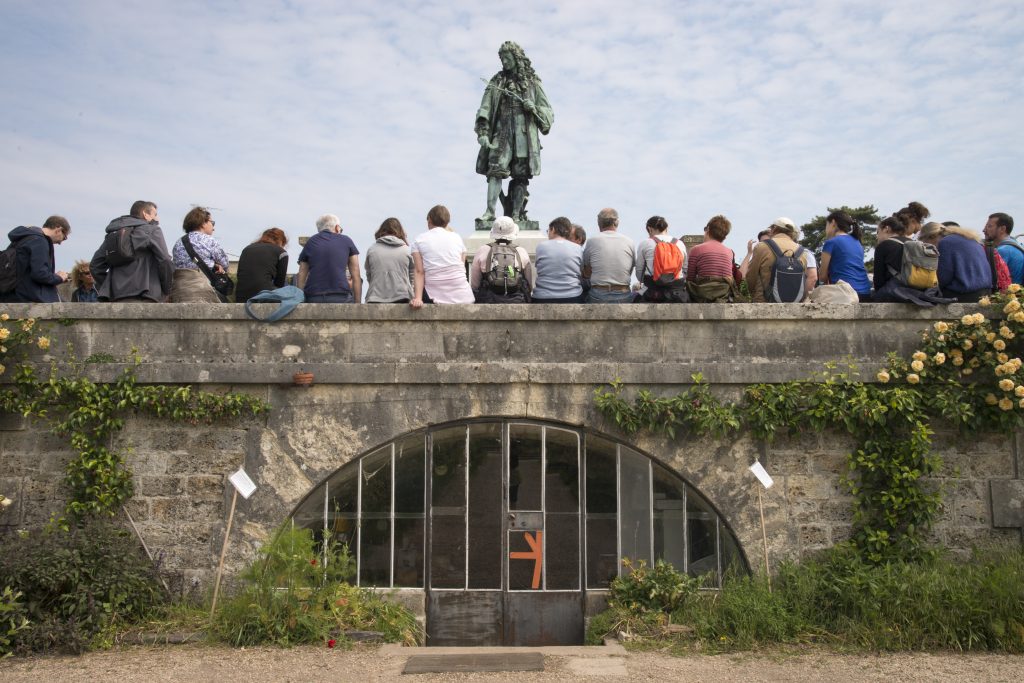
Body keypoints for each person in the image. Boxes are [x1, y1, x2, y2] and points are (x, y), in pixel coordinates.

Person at [475, 41, 554, 223]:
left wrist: (534, 108)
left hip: (524, 133)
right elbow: (485, 108)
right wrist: (483, 132)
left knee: (521, 174)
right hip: (502, 131)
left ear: (516, 58)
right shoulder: (497, 81)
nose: (504, 61)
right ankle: (490, 211)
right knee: (495, 169)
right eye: (502, 58)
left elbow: (548, 111)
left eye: (507, 58)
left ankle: (517, 214)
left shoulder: (533, 82)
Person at [91, 200, 173, 302]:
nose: (157, 218)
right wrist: (167, 289)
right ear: (145, 214)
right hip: (146, 295)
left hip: (117, 298)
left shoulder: (114, 234)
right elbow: (165, 260)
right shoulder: (152, 230)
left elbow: (95, 266)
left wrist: (111, 287)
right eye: (155, 214)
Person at [410, 205, 474, 309]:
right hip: (463, 295)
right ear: (447, 222)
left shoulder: (419, 240)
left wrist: (418, 298)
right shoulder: (457, 237)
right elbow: (462, 266)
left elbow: (419, 271)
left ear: (429, 220)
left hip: (434, 295)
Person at [1, 216, 70, 303]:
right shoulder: (40, 241)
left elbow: (25, 271)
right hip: (27, 299)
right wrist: (59, 278)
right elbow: (40, 274)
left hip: (11, 295)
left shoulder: (23, 238)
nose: (60, 242)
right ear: (59, 229)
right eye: (64, 237)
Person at [170, 206, 230, 303]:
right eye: (212, 222)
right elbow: (225, 265)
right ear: (203, 223)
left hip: (179, 291)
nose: (213, 227)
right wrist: (218, 266)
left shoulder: (178, 242)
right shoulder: (209, 240)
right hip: (201, 291)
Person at [919, 222, 991, 302]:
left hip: (965, 294)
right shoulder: (970, 239)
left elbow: (944, 277)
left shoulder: (945, 242)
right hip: (985, 293)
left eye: (925, 243)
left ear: (932, 237)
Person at [296, 214, 361, 303]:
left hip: (314, 296)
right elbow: (356, 274)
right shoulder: (346, 240)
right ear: (337, 227)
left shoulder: (311, 242)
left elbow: (301, 274)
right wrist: (358, 304)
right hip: (340, 296)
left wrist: (300, 301)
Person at [470, 216, 535, 303]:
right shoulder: (521, 251)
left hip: (488, 300)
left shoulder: (483, 250)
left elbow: (475, 285)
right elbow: (529, 285)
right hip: (516, 300)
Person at [746, 217, 809, 302]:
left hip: (764, 302)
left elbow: (751, 276)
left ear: (774, 228)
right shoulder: (802, 251)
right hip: (794, 304)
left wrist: (753, 294)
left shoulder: (762, 246)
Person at [582, 208, 634, 303]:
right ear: (616, 223)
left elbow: (586, 272)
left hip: (598, 296)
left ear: (599, 224)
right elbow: (629, 271)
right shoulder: (629, 242)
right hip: (624, 295)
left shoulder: (592, 241)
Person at [686, 215, 740, 303]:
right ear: (724, 236)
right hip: (724, 294)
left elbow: (690, 278)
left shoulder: (696, 249)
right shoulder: (729, 252)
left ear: (708, 229)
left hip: (702, 293)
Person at [820, 210, 871, 301]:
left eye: (826, 225)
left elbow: (822, 276)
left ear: (833, 222)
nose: (825, 230)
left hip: (846, 294)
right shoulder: (857, 242)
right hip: (865, 293)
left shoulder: (831, 243)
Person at [634, 215, 687, 302]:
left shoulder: (645, 243)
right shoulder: (680, 244)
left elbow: (639, 272)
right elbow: (685, 269)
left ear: (650, 229)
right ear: (666, 228)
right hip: (676, 292)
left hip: (652, 292)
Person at [532, 217, 584, 304]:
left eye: (548, 231)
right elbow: (582, 271)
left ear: (553, 229)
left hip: (542, 297)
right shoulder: (578, 248)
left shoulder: (541, 246)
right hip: (573, 296)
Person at [364, 218, 414, 304]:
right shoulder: (407, 250)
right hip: (402, 297)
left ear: (382, 230)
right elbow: (413, 276)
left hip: (375, 297)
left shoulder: (372, 250)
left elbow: (369, 275)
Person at [235, 228, 289, 302]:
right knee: (293, 291)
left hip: (241, 296)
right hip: (264, 296)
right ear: (281, 241)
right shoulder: (282, 252)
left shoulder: (247, 249)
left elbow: (239, 275)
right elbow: (280, 283)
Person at [872, 215, 911, 293]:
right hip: (918, 291)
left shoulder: (884, 245)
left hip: (896, 292)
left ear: (887, 229)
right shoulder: (913, 243)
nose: (877, 236)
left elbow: (878, 280)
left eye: (878, 232)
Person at [983, 212, 1022, 285]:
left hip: (1008, 295)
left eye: (989, 226)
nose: (984, 230)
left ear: (1002, 229)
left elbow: (990, 279)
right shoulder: (1017, 245)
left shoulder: (1002, 251)